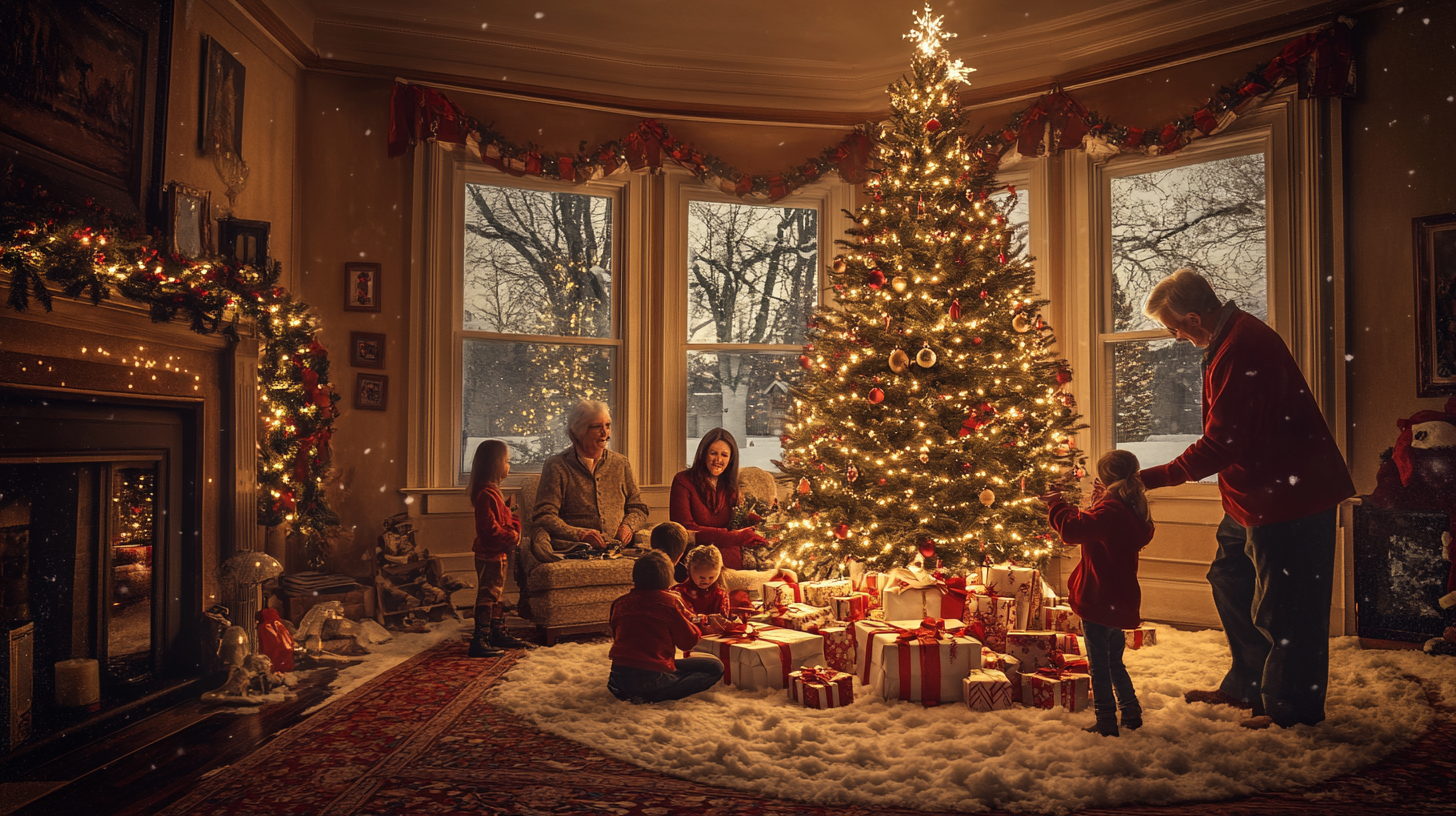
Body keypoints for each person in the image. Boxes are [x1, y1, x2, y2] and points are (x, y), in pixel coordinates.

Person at [1139, 268, 1355, 730]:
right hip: (1254, 494)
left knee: (1289, 609)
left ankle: (1290, 711)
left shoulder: (1242, 347)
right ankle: (1248, 685)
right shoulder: (1227, 338)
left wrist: (1146, 480)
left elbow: (1222, 444)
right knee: (1229, 577)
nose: (1174, 337)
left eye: (1173, 327)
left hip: (1289, 498)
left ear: (1194, 318)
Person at [1041, 450, 1155, 737]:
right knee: (1113, 660)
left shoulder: (1111, 511)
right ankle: (1131, 712)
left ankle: (1106, 720)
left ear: (1106, 478)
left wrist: (1056, 504)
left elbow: (1073, 529)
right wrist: (1100, 502)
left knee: (1099, 666)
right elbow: (1103, 528)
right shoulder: (1131, 508)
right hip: (1119, 596)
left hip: (1099, 595)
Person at [531, 400, 649, 560]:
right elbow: (544, 516)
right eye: (596, 427)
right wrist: (580, 534)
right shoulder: (557, 466)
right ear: (575, 433)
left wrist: (628, 526)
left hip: (619, 549)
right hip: (574, 549)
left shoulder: (620, 463)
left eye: (607, 425)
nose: (605, 433)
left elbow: (638, 508)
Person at [607, 551, 725, 703]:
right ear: (669, 581)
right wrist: (697, 626)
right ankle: (654, 695)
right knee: (715, 667)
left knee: (672, 665)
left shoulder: (619, 603)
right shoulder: (670, 603)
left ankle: (635, 690)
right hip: (651, 678)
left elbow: (616, 633)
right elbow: (687, 643)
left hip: (617, 678)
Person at [466, 439, 530, 658]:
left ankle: (497, 632)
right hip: (489, 555)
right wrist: (512, 535)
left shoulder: (495, 493)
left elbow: (504, 522)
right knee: (488, 594)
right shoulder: (486, 495)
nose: (509, 465)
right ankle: (480, 638)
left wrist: (513, 515)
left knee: (496, 594)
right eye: (507, 461)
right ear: (494, 464)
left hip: (499, 555)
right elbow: (489, 529)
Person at [673, 545, 731, 631]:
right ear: (689, 570)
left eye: (711, 577)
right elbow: (682, 622)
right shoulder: (678, 593)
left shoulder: (720, 595)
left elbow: (723, 622)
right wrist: (708, 620)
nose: (706, 581)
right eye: (702, 578)